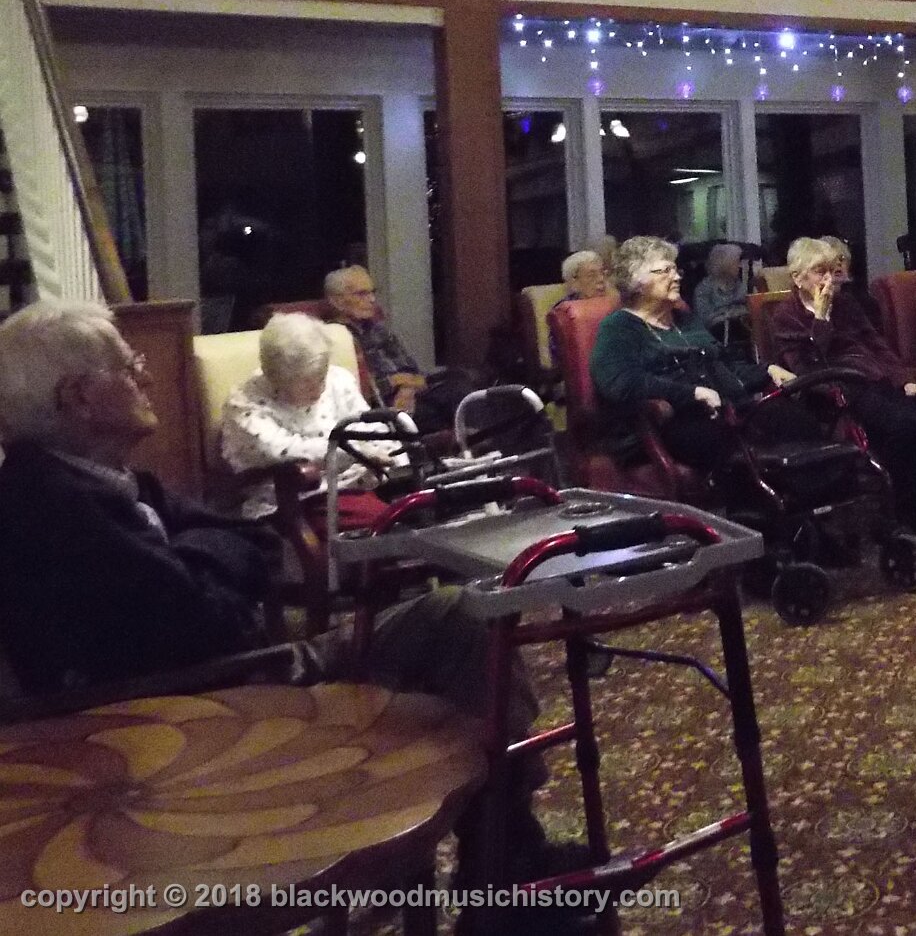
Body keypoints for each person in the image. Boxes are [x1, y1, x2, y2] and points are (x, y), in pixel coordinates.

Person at [0, 303, 573, 908]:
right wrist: (211, 561)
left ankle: (499, 851)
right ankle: (505, 864)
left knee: (460, 616)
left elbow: (255, 542)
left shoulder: (98, 476)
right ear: (79, 397)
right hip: (192, 707)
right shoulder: (50, 507)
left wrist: (202, 559)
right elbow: (213, 613)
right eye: (126, 364)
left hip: (217, 671)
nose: (144, 373)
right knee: (455, 621)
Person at [767, 237, 916, 539]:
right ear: (798, 277)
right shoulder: (786, 316)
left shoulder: (846, 303)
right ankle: (900, 515)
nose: (830, 279)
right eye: (820, 271)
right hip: (836, 391)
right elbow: (807, 368)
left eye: (832, 270)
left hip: (875, 378)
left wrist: (907, 381)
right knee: (903, 426)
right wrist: (820, 318)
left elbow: (876, 344)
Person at [588, 237, 814, 475]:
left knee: (794, 419)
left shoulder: (685, 319)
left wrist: (767, 370)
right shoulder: (618, 327)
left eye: (675, 269)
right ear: (635, 281)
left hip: (725, 411)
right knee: (736, 445)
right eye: (665, 271)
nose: (676, 277)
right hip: (671, 425)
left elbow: (724, 364)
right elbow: (620, 382)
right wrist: (691, 393)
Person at [218, 311, 399, 522]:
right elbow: (283, 451)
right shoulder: (243, 405)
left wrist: (393, 455)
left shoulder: (337, 379)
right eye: (306, 382)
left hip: (360, 487)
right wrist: (357, 452)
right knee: (388, 525)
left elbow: (371, 429)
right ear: (274, 377)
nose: (319, 389)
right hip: (294, 503)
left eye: (321, 376)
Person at [324, 265, 473, 430]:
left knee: (462, 376)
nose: (372, 299)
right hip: (384, 407)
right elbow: (359, 390)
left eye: (372, 292)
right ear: (337, 301)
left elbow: (412, 369)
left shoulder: (378, 329)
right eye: (362, 294)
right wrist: (395, 382)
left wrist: (407, 386)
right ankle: (475, 438)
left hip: (412, 394)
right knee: (454, 397)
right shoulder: (335, 338)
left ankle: (472, 437)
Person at [692, 241, 752, 344]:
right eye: (737, 262)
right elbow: (704, 318)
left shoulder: (739, 284)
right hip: (715, 335)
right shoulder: (704, 288)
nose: (740, 266)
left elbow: (746, 307)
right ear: (725, 264)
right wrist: (727, 315)